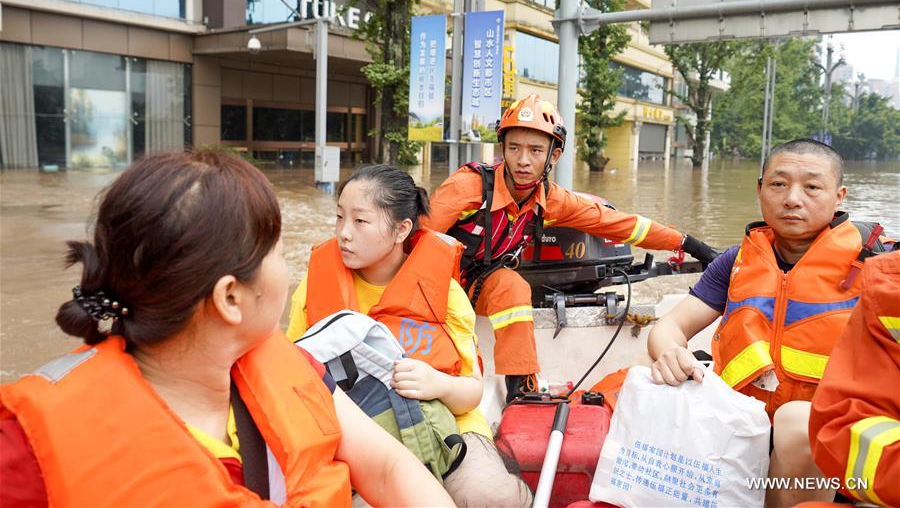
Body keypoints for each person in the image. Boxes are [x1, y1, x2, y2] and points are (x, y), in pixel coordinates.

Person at [0, 151, 453, 507]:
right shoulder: (23, 452)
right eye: (276, 252)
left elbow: (389, 468)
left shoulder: (292, 367)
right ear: (231, 299)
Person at [423, 93, 719, 400]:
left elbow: (619, 224)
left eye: (536, 150)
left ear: (554, 156)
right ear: (503, 149)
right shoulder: (466, 186)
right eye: (514, 148)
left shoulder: (552, 200)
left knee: (512, 287)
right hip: (436, 284)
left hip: (480, 284)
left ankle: (520, 390)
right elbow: (415, 245)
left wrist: (687, 243)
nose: (523, 160)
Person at [648, 138, 877, 507]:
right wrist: (671, 354)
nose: (792, 199)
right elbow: (670, 327)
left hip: (831, 446)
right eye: (778, 184)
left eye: (812, 187)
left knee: (797, 422)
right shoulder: (736, 261)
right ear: (760, 190)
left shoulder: (878, 269)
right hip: (744, 427)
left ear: (840, 196)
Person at [288, 164, 533, 507]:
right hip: (361, 436)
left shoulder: (444, 293)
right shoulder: (312, 290)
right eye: (339, 217)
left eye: (360, 221)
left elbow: (471, 392)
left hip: (451, 424)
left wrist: (439, 384)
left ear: (402, 229)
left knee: (492, 495)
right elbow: (291, 379)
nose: (344, 233)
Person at [807, 250, 900, 507]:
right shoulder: (737, 259)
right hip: (768, 414)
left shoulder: (881, 280)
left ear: (838, 205)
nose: (792, 205)